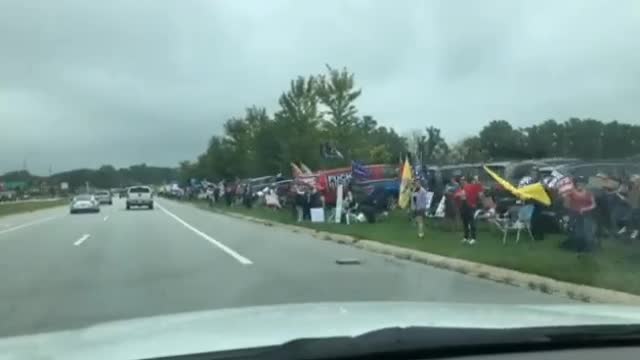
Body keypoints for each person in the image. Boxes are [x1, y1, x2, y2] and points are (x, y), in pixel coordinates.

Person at [562, 176, 597, 252]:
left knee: (587, 231)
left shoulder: (589, 193)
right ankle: (578, 246)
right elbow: (566, 204)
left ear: (585, 184)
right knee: (577, 231)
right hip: (574, 214)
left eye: (582, 183)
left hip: (586, 215)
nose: (580, 185)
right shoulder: (571, 193)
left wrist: (585, 209)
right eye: (578, 183)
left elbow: (594, 205)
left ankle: (588, 246)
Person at [454, 175, 484, 245]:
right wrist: (459, 195)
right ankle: (466, 237)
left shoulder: (471, 186)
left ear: (466, 181)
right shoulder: (461, 188)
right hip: (463, 206)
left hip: (470, 206)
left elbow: (479, 189)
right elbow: (456, 195)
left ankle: (473, 238)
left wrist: (476, 180)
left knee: (471, 222)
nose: (462, 181)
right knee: (465, 222)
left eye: (463, 180)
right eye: (461, 180)